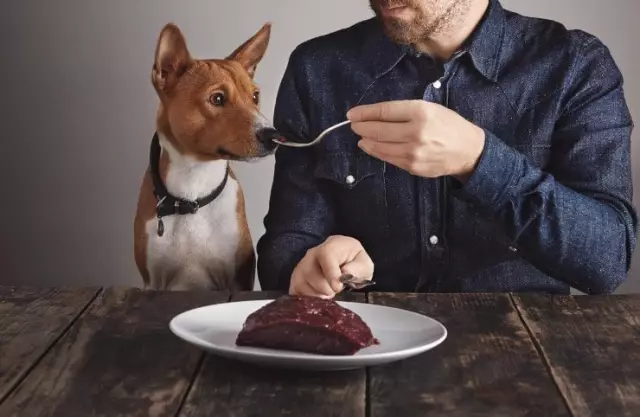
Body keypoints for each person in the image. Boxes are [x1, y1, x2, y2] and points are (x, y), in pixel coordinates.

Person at [256, 0, 637, 298]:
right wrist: (309, 267)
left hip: (523, 350)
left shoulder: (575, 66)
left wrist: (479, 161)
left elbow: (606, 262)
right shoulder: (317, 68)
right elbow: (286, 244)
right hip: (368, 347)